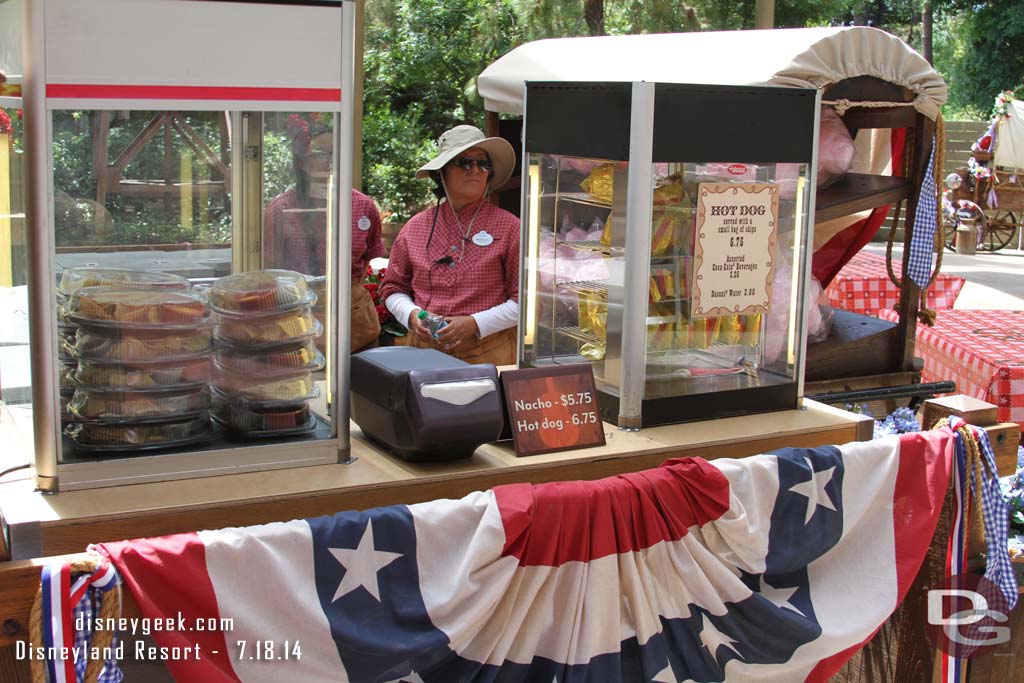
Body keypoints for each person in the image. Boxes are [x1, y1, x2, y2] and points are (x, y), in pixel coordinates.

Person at [380, 124, 519, 365]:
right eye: (465, 162)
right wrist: (413, 315)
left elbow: (524, 301)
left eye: (483, 163)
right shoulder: (415, 228)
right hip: (423, 353)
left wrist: (475, 323)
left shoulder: (510, 228)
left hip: (488, 354)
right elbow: (392, 288)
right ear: (441, 173)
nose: (475, 170)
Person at [263, 114, 385, 352]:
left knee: (357, 385)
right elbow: (271, 270)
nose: (330, 161)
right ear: (301, 162)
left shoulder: (362, 206)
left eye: (335, 153)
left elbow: (368, 258)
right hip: (298, 320)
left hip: (355, 323)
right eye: (320, 154)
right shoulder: (282, 209)